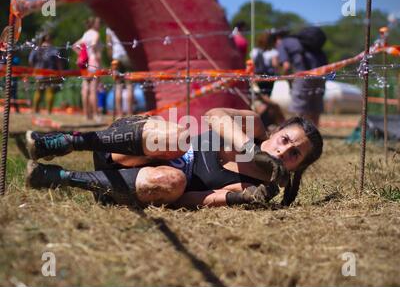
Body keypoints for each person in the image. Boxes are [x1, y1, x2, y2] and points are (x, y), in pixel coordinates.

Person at [24, 108, 323, 208]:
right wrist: (252, 151)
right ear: (276, 131)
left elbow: (194, 198)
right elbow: (214, 116)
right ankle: (66, 142)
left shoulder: (264, 189)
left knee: (175, 180)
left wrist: (237, 199)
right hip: (132, 144)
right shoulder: (254, 126)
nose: (283, 151)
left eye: (294, 154)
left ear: (299, 167)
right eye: (285, 140)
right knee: (178, 139)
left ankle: (59, 178)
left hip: (133, 185)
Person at [275, 27, 328, 127]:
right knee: (315, 107)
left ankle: (300, 131)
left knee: (300, 108)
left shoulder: (283, 43)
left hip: (303, 75)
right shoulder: (306, 42)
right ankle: (314, 132)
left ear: (277, 38)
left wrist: (288, 81)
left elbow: (286, 66)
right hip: (321, 74)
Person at [250, 31, 285, 128]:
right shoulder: (273, 52)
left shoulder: (254, 51)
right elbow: (275, 65)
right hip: (268, 79)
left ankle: (260, 121)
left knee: (259, 99)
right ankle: (259, 120)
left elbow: (251, 65)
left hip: (256, 77)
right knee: (266, 99)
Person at [73, 17, 102, 122]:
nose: (100, 25)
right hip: (94, 62)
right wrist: (96, 54)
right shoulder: (96, 34)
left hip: (85, 63)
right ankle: (96, 115)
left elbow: (74, 46)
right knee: (93, 90)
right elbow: (94, 44)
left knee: (85, 89)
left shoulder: (85, 34)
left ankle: (86, 115)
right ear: (94, 24)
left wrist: (81, 55)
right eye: (99, 23)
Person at [28, 34, 63, 115]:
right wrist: (61, 73)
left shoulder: (37, 49)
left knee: (38, 92)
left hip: (39, 73)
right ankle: (49, 112)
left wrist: (34, 68)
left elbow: (30, 60)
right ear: (51, 39)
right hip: (51, 73)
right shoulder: (54, 49)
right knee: (50, 92)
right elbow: (59, 63)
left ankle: (36, 110)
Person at [106, 27, 135, 117]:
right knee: (129, 86)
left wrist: (111, 58)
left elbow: (109, 45)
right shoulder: (124, 22)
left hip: (116, 57)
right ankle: (130, 113)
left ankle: (119, 114)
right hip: (127, 56)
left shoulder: (109, 28)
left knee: (118, 86)